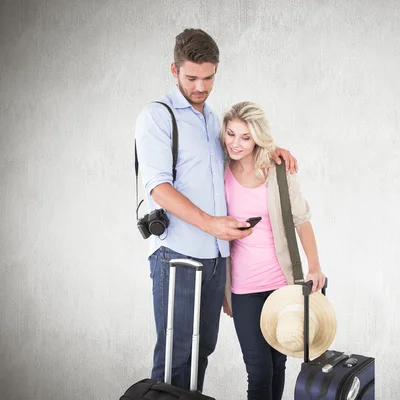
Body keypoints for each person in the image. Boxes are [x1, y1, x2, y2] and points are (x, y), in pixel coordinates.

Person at [134, 28, 298, 393]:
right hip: (177, 255)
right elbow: (158, 187)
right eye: (192, 77)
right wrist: (211, 224)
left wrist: (272, 151)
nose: (201, 86)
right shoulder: (157, 117)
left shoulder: (212, 120)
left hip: (215, 260)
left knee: (200, 351)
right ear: (174, 69)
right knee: (177, 353)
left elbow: (239, 151)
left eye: (208, 77)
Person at [220, 101, 327, 400]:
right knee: (258, 370)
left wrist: (314, 266)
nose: (236, 143)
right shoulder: (219, 169)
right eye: (231, 134)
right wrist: (224, 291)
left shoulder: (278, 170)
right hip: (243, 288)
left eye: (245, 137)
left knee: (278, 363)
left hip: (282, 284)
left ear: (257, 137)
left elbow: (301, 220)